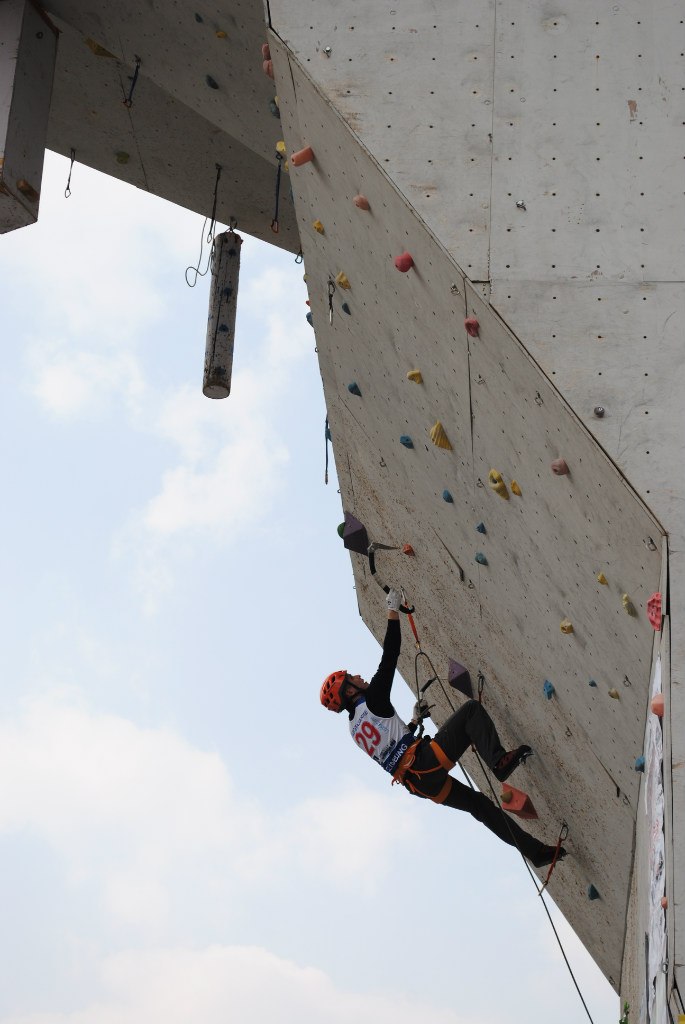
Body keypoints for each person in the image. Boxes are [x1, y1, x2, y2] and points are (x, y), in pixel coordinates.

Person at [320, 589, 566, 868]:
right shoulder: (372, 699)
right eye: (353, 677)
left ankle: (537, 853)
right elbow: (390, 655)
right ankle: (498, 761)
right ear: (348, 691)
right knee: (471, 711)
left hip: (419, 784)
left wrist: (413, 722)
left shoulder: (354, 729)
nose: (360, 677)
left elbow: (391, 749)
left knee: (479, 806)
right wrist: (392, 609)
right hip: (425, 763)